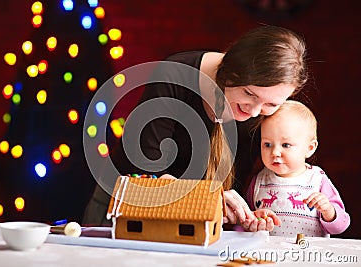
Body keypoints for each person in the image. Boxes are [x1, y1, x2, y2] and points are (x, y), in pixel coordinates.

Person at [83, 25, 308, 232]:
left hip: (200, 221)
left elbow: (239, 181)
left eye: (271, 104)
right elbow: (144, 171)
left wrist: (247, 213)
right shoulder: (174, 75)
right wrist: (208, 199)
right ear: (230, 71)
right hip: (124, 207)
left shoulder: (263, 109)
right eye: (249, 94)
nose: (253, 111)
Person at [247, 100, 350, 236]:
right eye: (267, 144)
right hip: (269, 254)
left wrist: (329, 211)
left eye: (286, 145)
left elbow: (340, 226)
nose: (275, 152)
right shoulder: (258, 181)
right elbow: (244, 222)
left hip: (307, 254)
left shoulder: (317, 180)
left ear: (309, 148)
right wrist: (252, 220)